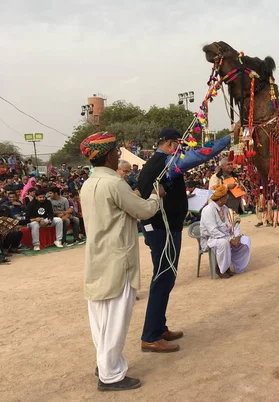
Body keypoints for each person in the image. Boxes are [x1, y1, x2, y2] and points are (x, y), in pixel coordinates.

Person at [79, 132, 163, 392]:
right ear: (107, 156)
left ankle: (104, 363)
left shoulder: (88, 184)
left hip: (97, 259)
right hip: (118, 260)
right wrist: (156, 196)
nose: (119, 155)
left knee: (101, 319)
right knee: (116, 319)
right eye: (116, 152)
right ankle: (110, 375)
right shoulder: (114, 184)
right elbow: (144, 211)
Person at [137, 128, 231, 352]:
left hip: (161, 229)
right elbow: (202, 154)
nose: (182, 152)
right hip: (163, 231)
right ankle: (150, 335)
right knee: (162, 280)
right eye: (179, 147)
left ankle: (159, 328)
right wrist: (229, 138)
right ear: (170, 145)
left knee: (166, 279)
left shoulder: (155, 164)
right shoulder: (166, 163)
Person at [200, 184, 251, 278]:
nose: (228, 196)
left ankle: (238, 267)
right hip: (211, 239)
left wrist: (237, 236)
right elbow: (213, 231)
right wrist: (230, 239)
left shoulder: (225, 209)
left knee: (245, 240)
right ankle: (222, 269)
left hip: (226, 236)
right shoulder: (208, 210)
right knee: (223, 243)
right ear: (220, 198)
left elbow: (233, 224)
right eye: (226, 195)